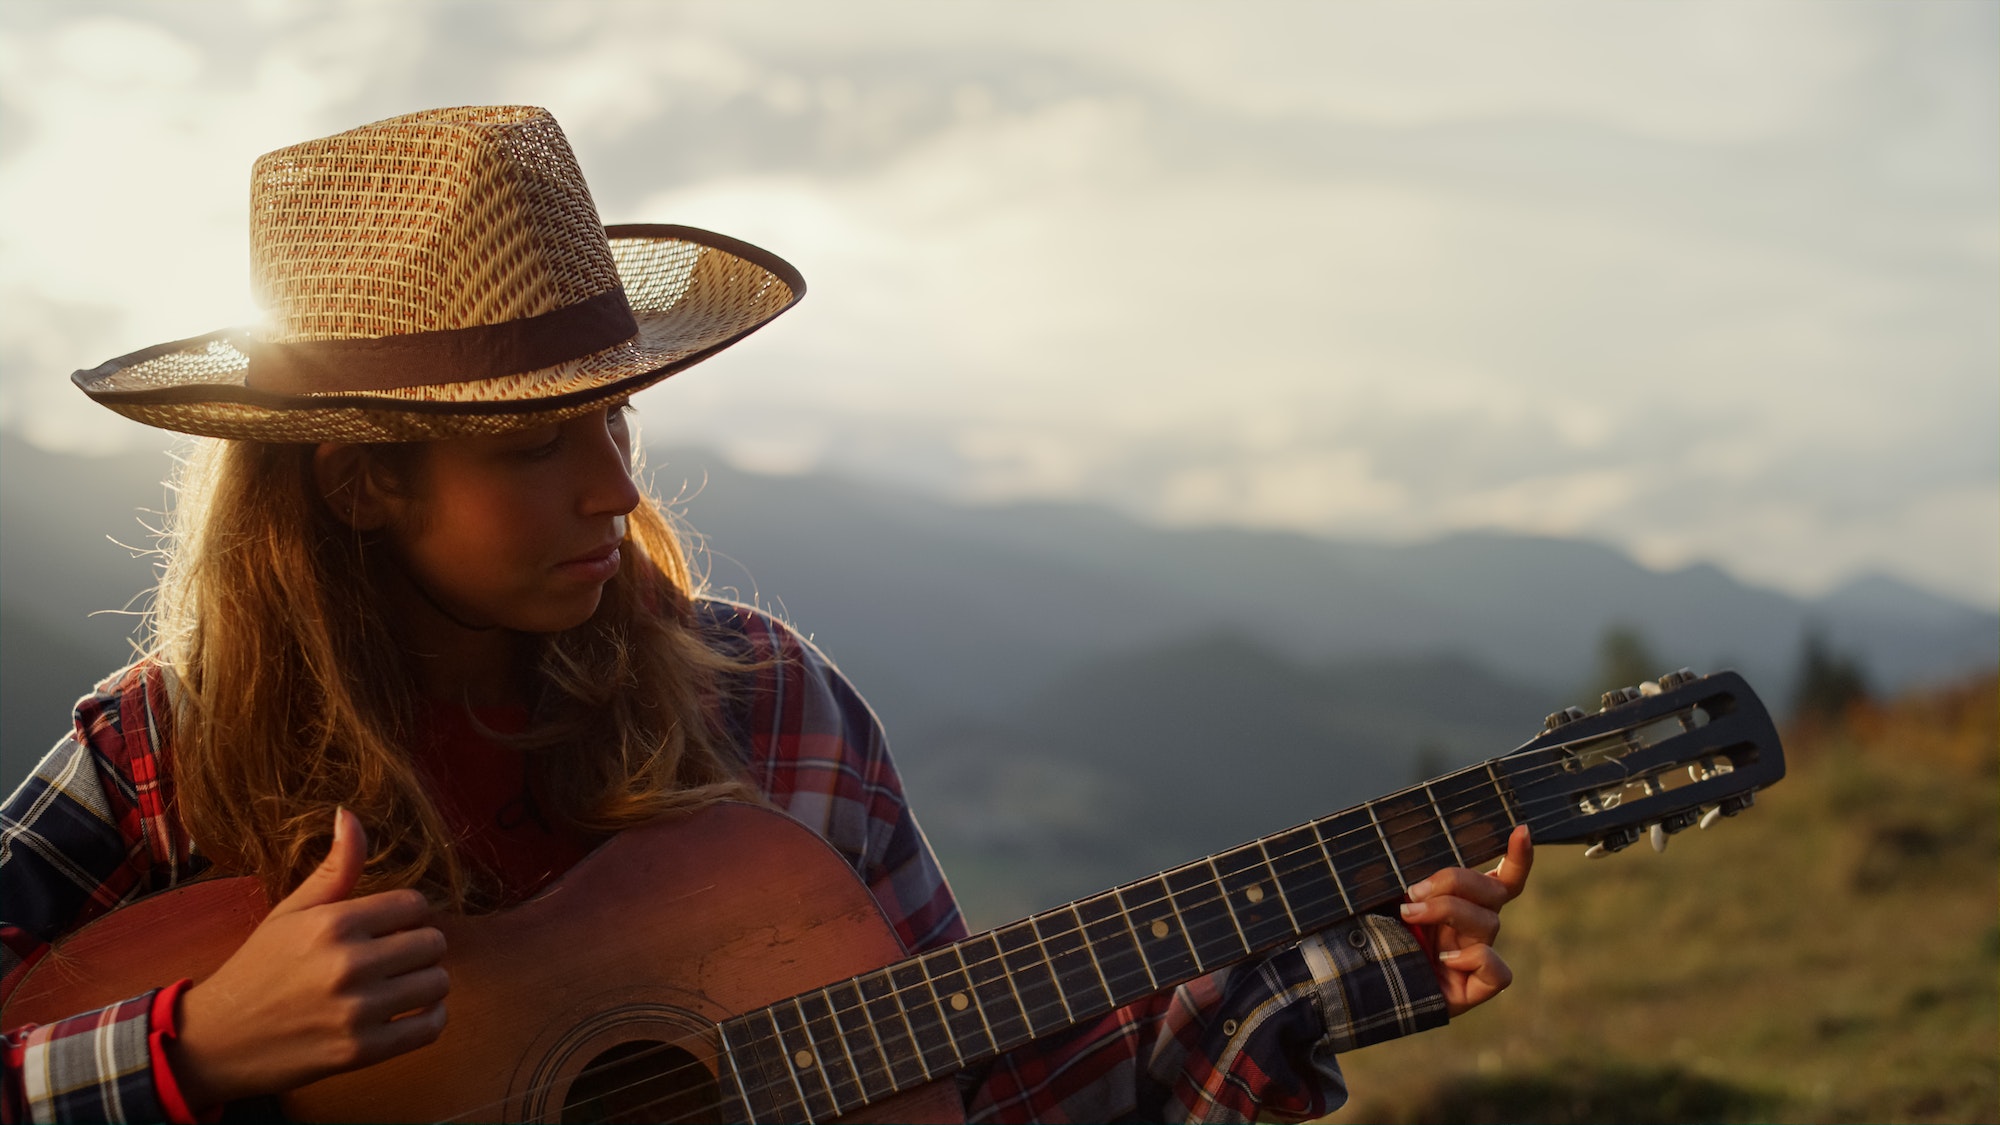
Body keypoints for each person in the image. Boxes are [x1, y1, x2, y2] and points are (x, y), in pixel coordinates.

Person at [0, 105, 1532, 1123]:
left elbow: (970, 1074)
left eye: (619, 418)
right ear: (354, 486)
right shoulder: (161, 752)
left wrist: (1318, 968)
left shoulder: (762, 699)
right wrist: (187, 1048)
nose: (613, 488)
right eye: (536, 444)